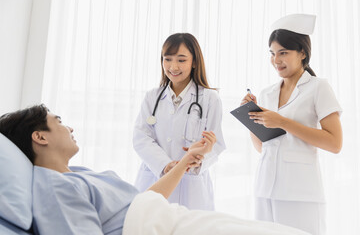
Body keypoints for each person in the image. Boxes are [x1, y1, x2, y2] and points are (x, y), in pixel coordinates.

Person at [0, 105, 310, 235]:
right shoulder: (53, 187)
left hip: (173, 219)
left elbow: (142, 202)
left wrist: (189, 160)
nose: (68, 126)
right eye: (57, 121)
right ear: (39, 137)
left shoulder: (77, 174)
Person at [240, 14, 343, 235]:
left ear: (303, 53)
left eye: (283, 53)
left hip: (301, 193)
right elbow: (262, 148)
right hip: (264, 190)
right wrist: (251, 118)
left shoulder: (318, 87)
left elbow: (335, 143)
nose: (276, 60)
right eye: (272, 53)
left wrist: (283, 122)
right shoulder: (268, 93)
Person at [133, 33, 226, 210]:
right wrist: (165, 165)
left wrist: (199, 161)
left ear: (194, 62)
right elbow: (141, 138)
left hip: (192, 185)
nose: (173, 66)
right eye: (167, 59)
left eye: (181, 60)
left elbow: (217, 144)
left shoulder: (209, 99)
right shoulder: (152, 97)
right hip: (154, 178)